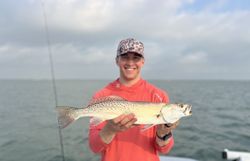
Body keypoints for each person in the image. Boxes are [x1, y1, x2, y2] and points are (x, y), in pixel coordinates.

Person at [88, 38, 179, 161]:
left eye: (136, 58)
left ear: (142, 62)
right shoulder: (102, 96)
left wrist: (163, 133)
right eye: (125, 57)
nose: (130, 63)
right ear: (117, 61)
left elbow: (164, 149)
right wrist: (110, 130)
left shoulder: (159, 96)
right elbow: (95, 147)